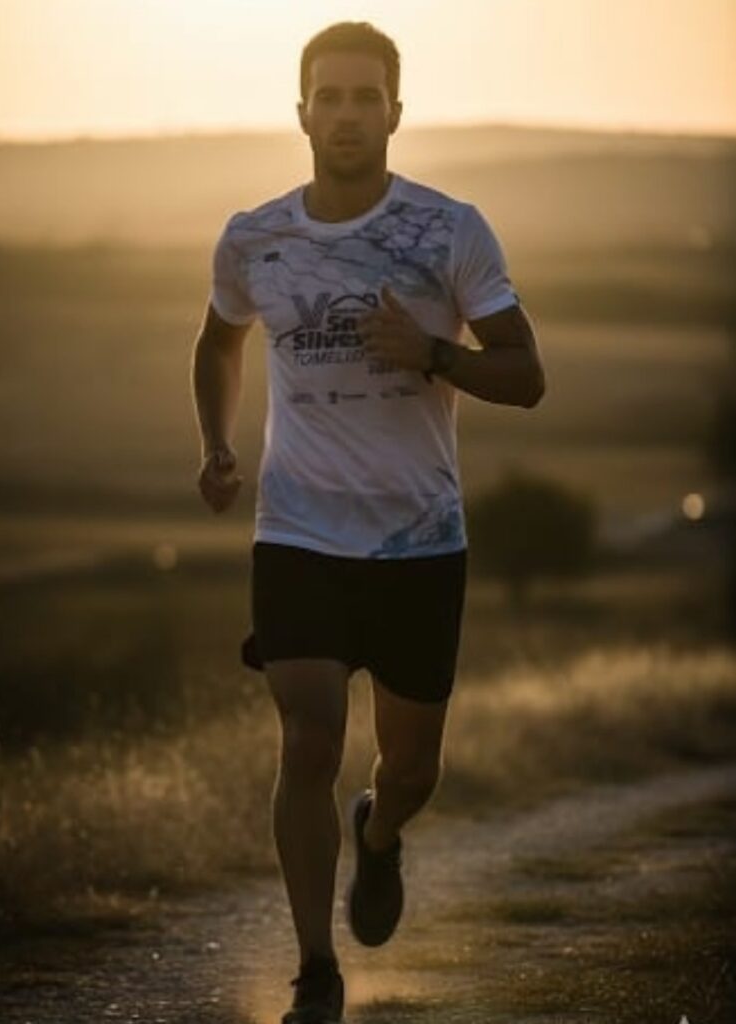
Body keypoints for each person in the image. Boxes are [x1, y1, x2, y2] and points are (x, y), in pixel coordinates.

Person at [192, 20, 545, 1024]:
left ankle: (379, 834)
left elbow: (526, 374)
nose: (346, 114)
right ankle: (315, 969)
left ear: (396, 110)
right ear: (300, 111)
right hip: (298, 529)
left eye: (365, 97)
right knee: (306, 735)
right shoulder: (253, 236)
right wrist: (216, 442)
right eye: (328, 97)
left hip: (418, 539)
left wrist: (433, 353)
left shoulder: (450, 230)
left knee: (412, 767)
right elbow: (217, 343)